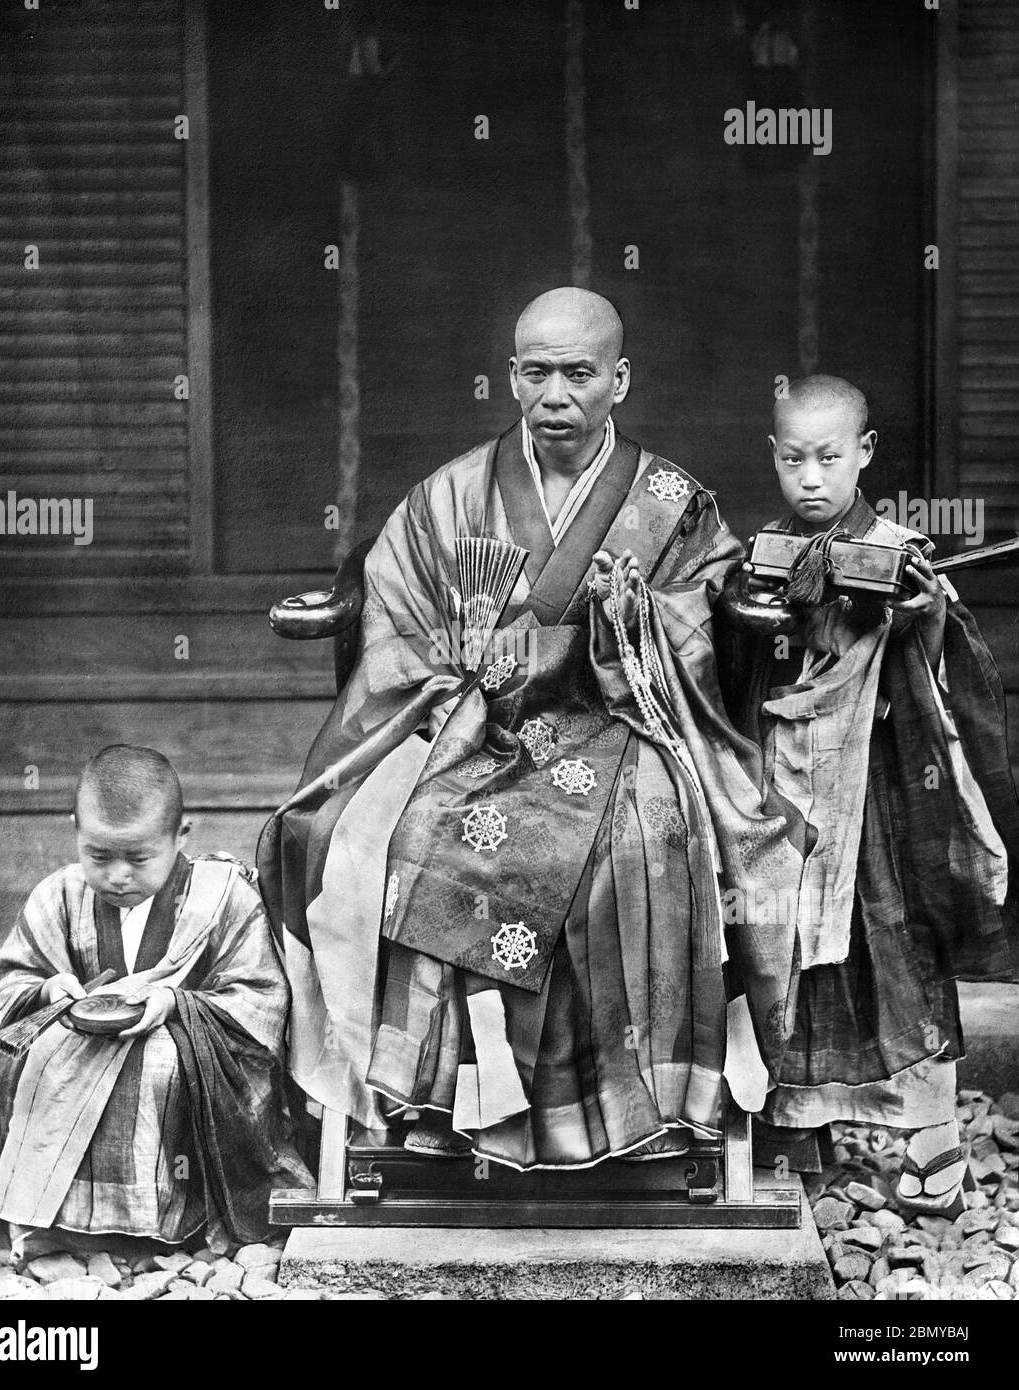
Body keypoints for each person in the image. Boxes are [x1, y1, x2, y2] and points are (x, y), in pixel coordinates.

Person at [258, 287, 811, 1172]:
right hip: (471, 723)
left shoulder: (673, 503)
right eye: (537, 371)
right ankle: (435, 1106)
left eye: (580, 373)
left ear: (619, 381)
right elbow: (396, 620)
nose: (558, 394)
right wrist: (452, 683)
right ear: (511, 380)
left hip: (625, 719)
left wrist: (613, 629)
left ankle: (636, 1114)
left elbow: (707, 622)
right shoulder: (450, 495)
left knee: (647, 848)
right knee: (383, 836)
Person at [721, 375, 1019, 1215]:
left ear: (864, 454)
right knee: (779, 948)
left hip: (879, 784)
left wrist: (925, 615)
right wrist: (744, 621)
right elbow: (734, 678)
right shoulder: (760, 552)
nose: (810, 479)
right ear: (772, 457)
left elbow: (950, 674)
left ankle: (929, 1142)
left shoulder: (900, 546)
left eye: (827, 458)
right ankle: (796, 1130)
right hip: (785, 786)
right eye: (792, 460)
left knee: (894, 947)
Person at [0, 745, 305, 1256]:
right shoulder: (59, 895)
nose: (118, 875)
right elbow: (4, 986)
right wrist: (50, 991)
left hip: (181, 1042)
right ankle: (51, 1222)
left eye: (139, 858)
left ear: (180, 836)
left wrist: (175, 1004)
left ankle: (166, 1221)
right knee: (35, 1064)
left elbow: (260, 997)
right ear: (75, 829)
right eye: (98, 855)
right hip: (76, 1036)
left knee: (158, 1067)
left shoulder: (222, 897)